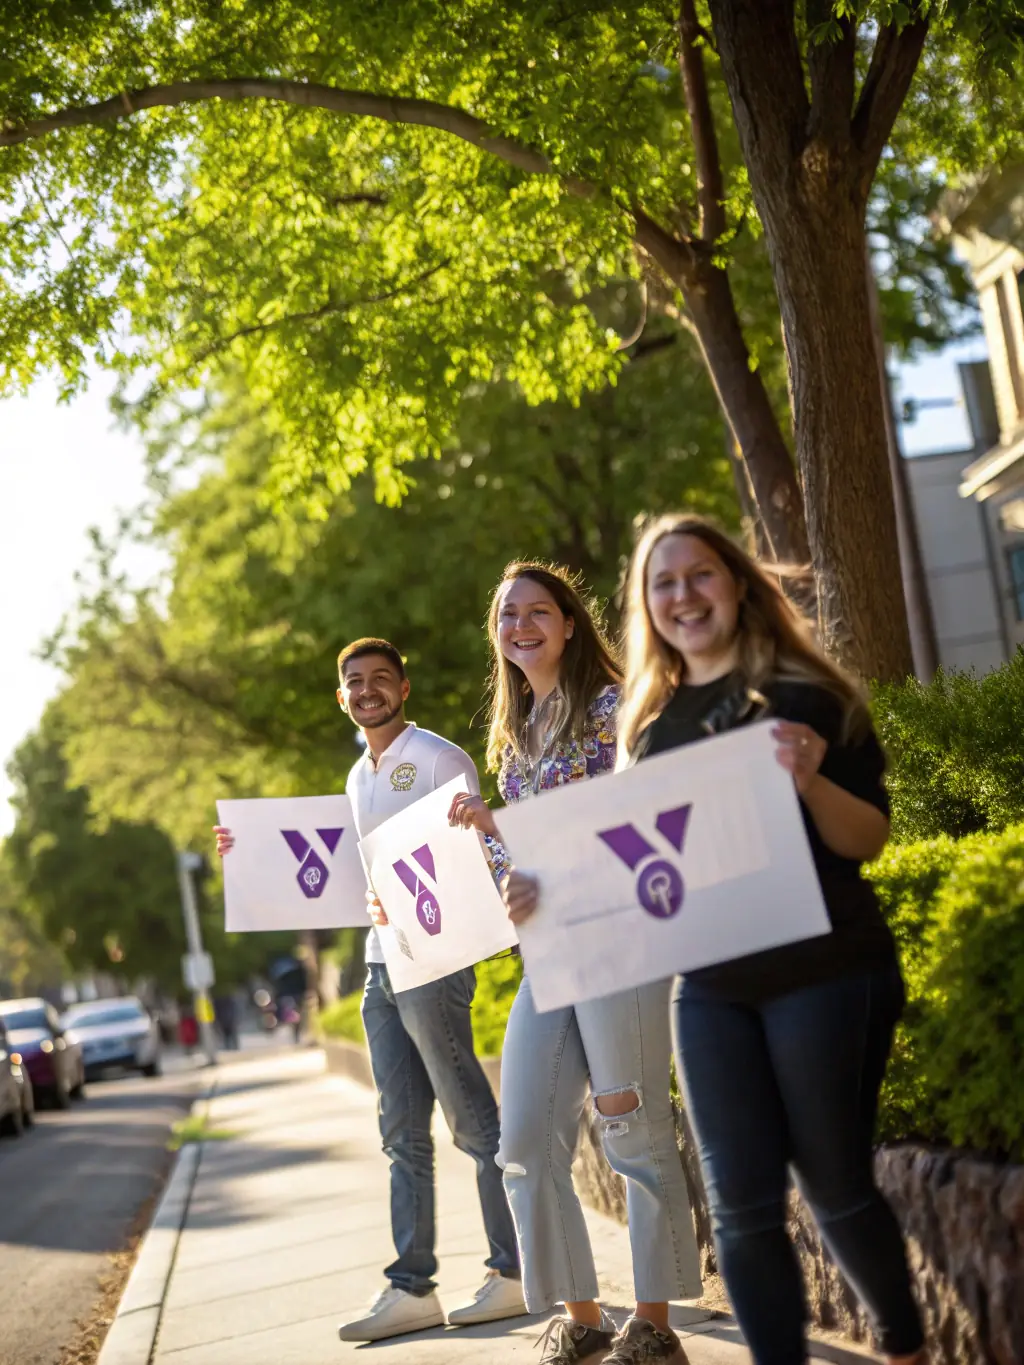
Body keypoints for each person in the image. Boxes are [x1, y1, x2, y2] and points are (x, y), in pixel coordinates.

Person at [616, 514, 926, 1365]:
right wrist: (541, 891)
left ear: (738, 582)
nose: (684, 595)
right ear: (648, 606)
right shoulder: (647, 731)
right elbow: (631, 873)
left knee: (832, 1182)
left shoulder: (806, 694)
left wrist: (813, 777)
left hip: (825, 968)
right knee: (740, 1207)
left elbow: (868, 838)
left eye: (700, 574)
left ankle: (907, 1349)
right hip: (711, 989)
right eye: (664, 582)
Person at [214, 638, 525, 1342]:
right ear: (342, 696)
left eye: (381, 678)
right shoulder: (356, 776)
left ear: (405, 687)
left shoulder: (442, 758)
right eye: (355, 681)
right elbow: (318, 863)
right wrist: (244, 852)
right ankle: (412, 1285)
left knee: (473, 1122)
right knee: (399, 1133)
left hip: (436, 961)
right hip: (380, 964)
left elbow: (475, 858)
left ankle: (514, 1268)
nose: (368, 690)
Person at [449, 563, 701, 1365]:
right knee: (522, 1136)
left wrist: (510, 832)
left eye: (534, 612)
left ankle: (656, 1326)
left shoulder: (607, 709)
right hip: (550, 953)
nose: (518, 625)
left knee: (632, 1125)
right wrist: (498, 868)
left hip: (619, 939)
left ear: (567, 623)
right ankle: (587, 1317)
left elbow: (622, 823)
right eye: (505, 615)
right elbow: (512, 867)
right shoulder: (514, 731)